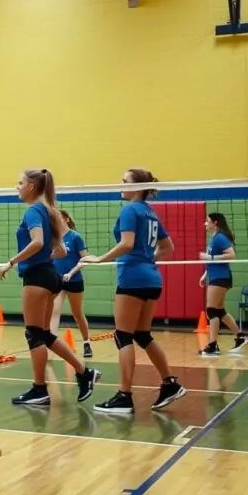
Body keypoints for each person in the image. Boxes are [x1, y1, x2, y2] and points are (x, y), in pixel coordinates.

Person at [77, 168, 187, 414]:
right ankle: (169, 383)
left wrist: (99, 259)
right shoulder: (150, 212)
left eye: (124, 181)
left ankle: (124, 396)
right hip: (151, 278)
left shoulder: (130, 210)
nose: (120, 184)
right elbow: (168, 247)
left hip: (133, 277)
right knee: (142, 335)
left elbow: (126, 244)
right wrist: (148, 259)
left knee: (123, 335)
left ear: (137, 187)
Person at [0, 169, 100, 407]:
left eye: (20, 182)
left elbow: (38, 242)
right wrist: (45, 258)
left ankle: (39, 389)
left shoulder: (34, 211)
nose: (17, 186)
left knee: (34, 334)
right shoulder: (50, 211)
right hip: (50, 276)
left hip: (37, 277)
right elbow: (62, 251)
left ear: (32, 186)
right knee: (44, 334)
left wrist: (12, 262)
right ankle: (84, 372)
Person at [198, 212, 248, 355]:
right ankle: (240, 336)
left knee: (211, 310)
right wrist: (205, 274)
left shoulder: (220, 238)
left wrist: (210, 256)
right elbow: (213, 262)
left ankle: (213, 345)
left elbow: (231, 255)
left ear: (215, 223)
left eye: (207, 221)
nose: (205, 224)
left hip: (220, 277)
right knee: (219, 310)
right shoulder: (214, 238)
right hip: (216, 276)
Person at [49, 209, 93, 358]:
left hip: (74, 280)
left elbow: (85, 259)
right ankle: (50, 346)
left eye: (59, 218)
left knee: (77, 314)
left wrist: (71, 272)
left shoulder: (75, 237)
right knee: (54, 312)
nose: (56, 221)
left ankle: (87, 342)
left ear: (67, 219)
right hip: (57, 281)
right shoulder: (53, 238)